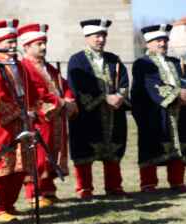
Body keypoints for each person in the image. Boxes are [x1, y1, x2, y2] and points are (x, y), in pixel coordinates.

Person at [67, 19, 130, 199]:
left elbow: (124, 82)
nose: (100, 40)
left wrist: (120, 96)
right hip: (87, 114)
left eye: (103, 36)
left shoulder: (113, 59)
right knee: (85, 150)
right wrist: (103, 97)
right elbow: (77, 85)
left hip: (113, 113)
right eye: (97, 36)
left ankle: (114, 186)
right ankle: (84, 188)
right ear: (87, 37)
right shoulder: (77, 59)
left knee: (113, 149)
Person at [18, 23, 77, 206]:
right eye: (39, 44)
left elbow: (64, 86)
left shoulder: (50, 68)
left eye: (44, 43)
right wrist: (60, 102)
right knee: (38, 156)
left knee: (53, 154)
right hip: (40, 120)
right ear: (27, 46)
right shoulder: (24, 67)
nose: (43, 47)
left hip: (55, 119)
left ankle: (48, 190)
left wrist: (69, 99)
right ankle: (34, 193)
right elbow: (34, 93)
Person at [0, 18, 33, 222]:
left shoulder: (17, 66)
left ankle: (9, 204)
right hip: (1, 127)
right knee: (2, 169)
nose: (13, 46)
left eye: (14, 41)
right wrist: (18, 112)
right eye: (8, 42)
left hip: (21, 124)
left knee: (18, 170)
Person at [131, 24, 186, 193]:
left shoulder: (176, 62)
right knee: (151, 146)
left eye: (165, 40)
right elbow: (152, 84)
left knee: (179, 144)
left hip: (178, 111)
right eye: (158, 41)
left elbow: (182, 80)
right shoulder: (142, 63)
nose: (163, 44)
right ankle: (148, 183)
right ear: (148, 43)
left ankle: (177, 181)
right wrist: (178, 94)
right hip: (152, 112)